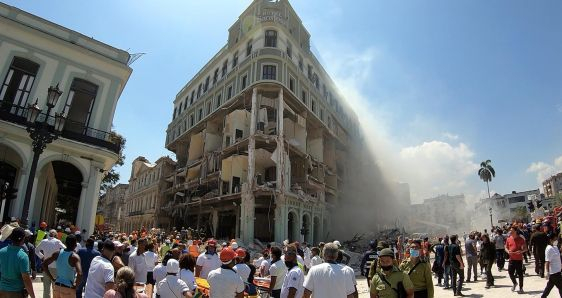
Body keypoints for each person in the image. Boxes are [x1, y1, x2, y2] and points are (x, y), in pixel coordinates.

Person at [0, 227, 36, 298]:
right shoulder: (23, 256)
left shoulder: (1, 251)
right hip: (16, 292)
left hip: (2, 290)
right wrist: (33, 296)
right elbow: (26, 279)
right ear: (23, 239)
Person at [36, 229, 66, 298]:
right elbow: (65, 249)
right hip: (55, 267)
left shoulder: (44, 241)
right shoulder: (57, 242)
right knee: (55, 288)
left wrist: (42, 257)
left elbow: (36, 250)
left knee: (46, 288)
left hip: (46, 267)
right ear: (56, 235)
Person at [505, 226, 527, 293]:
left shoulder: (521, 239)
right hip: (511, 259)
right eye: (510, 231)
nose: (510, 232)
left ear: (515, 231)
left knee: (520, 274)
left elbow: (526, 248)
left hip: (518, 259)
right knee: (510, 272)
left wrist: (521, 251)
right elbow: (505, 247)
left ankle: (521, 288)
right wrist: (508, 251)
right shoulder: (508, 239)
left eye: (512, 230)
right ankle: (515, 283)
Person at [541, 232, 562, 297]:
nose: (556, 241)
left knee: (549, 287)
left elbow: (557, 256)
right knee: (561, 287)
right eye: (555, 239)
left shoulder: (555, 247)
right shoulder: (549, 249)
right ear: (551, 240)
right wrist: (547, 272)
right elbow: (547, 261)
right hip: (554, 272)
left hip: (558, 271)